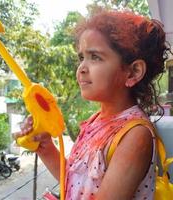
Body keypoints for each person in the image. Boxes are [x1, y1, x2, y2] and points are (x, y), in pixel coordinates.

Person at [14, 9, 171, 200]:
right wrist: (45, 147)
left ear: (133, 72)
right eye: (81, 57)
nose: (81, 68)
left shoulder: (135, 136)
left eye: (95, 57)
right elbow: (74, 182)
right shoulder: (95, 121)